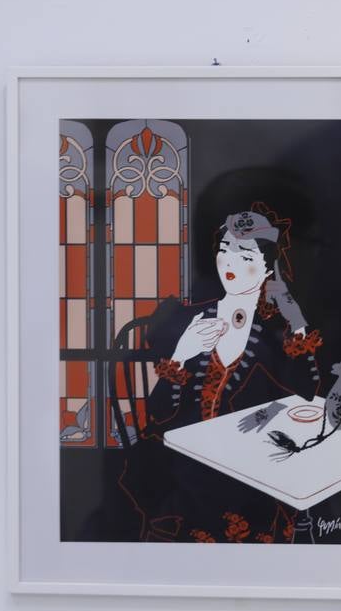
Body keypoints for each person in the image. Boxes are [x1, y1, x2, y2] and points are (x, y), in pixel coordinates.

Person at [115, 203, 327, 543]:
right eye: (225, 250)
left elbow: (304, 400)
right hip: (190, 486)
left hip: (249, 483)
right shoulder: (190, 326)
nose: (230, 263)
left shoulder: (270, 334)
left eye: (245, 256)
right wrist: (181, 356)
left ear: (268, 268)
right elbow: (158, 419)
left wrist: (269, 410)